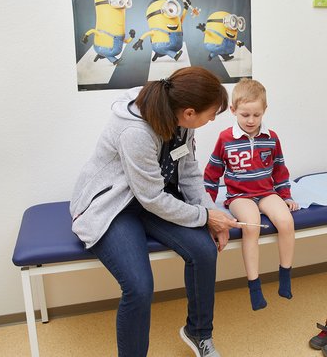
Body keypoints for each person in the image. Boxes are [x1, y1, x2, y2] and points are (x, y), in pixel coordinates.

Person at [70, 67, 241, 357]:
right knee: (138, 287)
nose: (212, 119)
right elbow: (150, 198)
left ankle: (198, 333)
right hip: (114, 205)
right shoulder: (136, 131)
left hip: (153, 197)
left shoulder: (182, 121)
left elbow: (187, 174)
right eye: (211, 113)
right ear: (189, 112)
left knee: (203, 251)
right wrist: (204, 217)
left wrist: (212, 214)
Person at [203, 78, 298, 311]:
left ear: (264, 111)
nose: (251, 120)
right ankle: (254, 285)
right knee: (251, 225)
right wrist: (208, 207)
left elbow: (279, 169)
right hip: (239, 196)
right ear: (234, 110)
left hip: (267, 192)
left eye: (256, 115)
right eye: (245, 115)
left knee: (286, 221)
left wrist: (285, 195)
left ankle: (285, 276)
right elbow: (212, 174)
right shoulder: (226, 139)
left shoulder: (271, 137)